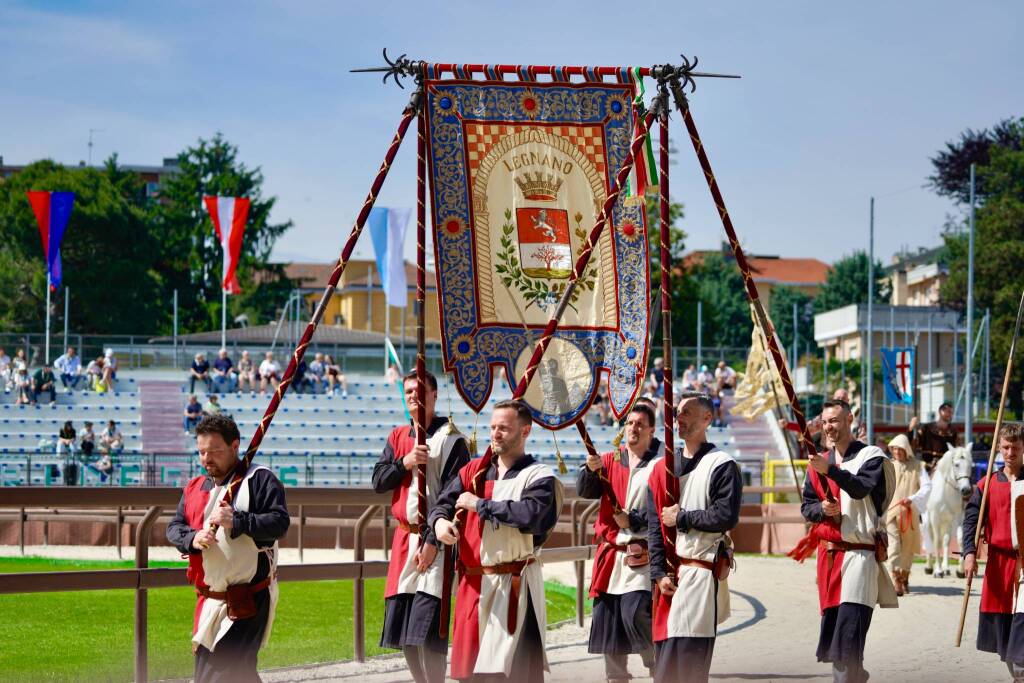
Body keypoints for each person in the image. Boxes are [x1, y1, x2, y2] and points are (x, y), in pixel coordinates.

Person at [429, 399, 565, 682]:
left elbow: (532, 516)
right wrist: (439, 523)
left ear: (525, 431)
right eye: (492, 427)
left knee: (512, 672)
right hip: (473, 586)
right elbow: (443, 504)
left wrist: (481, 505)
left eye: (504, 428)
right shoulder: (474, 472)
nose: (495, 434)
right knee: (471, 674)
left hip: (514, 586)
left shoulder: (538, 476)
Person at [165, 414, 290, 683]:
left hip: (248, 598)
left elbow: (280, 523)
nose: (206, 459)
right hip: (209, 599)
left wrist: (239, 521)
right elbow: (174, 527)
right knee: (231, 674)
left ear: (235, 447)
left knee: (220, 674)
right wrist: (192, 539)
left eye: (214, 451)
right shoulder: (194, 487)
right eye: (201, 452)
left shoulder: (260, 480)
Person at [371, 370, 470, 683]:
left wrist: (432, 542)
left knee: (427, 630)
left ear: (434, 394)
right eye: (409, 391)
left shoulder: (452, 440)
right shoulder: (398, 437)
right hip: (404, 540)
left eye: (420, 390)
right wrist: (405, 462)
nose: (413, 396)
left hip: (434, 542)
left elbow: (453, 497)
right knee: (404, 633)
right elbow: (378, 481)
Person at [795, 398, 897, 683]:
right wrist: (821, 510)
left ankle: (849, 675)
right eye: (826, 421)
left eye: (835, 420)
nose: (829, 427)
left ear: (849, 419)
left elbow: (861, 488)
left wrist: (831, 472)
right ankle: (856, 674)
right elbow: (807, 506)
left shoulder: (871, 456)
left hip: (859, 556)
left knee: (847, 635)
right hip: (829, 561)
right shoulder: (819, 463)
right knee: (837, 639)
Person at [647, 391, 743, 683]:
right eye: (677, 412)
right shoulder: (662, 468)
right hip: (669, 580)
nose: (679, 418)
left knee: (688, 664)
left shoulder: (721, 464)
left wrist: (684, 518)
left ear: (707, 418)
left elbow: (725, 516)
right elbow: (655, 526)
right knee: (665, 666)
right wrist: (658, 572)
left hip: (702, 573)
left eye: (687, 412)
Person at [578, 402, 662, 683]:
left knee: (637, 611)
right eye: (629, 423)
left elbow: (666, 506)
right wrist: (590, 470)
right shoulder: (609, 459)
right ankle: (616, 678)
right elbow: (586, 491)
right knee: (609, 621)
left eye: (640, 424)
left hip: (643, 553)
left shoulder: (661, 465)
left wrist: (635, 520)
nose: (633, 428)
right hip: (611, 553)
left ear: (652, 429)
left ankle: (658, 665)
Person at [962, 423, 1024, 674]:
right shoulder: (985, 485)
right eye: (1006, 447)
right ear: (999, 448)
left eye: (1016, 448)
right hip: (998, 564)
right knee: (1005, 632)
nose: (1010, 453)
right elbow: (971, 522)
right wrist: (969, 554)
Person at [884, 434, 930, 596]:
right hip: (891, 513)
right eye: (894, 448)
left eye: (900, 449)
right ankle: (895, 578)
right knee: (894, 545)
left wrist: (912, 499)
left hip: (910, 513)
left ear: (906, 449)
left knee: (908, 547)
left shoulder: (918, 466)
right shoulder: (887, 465)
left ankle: (904, 577)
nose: (897, 451)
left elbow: (926, 487)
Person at [908, 401, 959, 471]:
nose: (950, 414)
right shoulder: (927, 428)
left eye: (951, 412)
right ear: (940, 411)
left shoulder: (953, 431)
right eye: (948, 411)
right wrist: (911, 429)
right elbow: (914, 443)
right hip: (927, 466)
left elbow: (956, 449)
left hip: (945, 467)